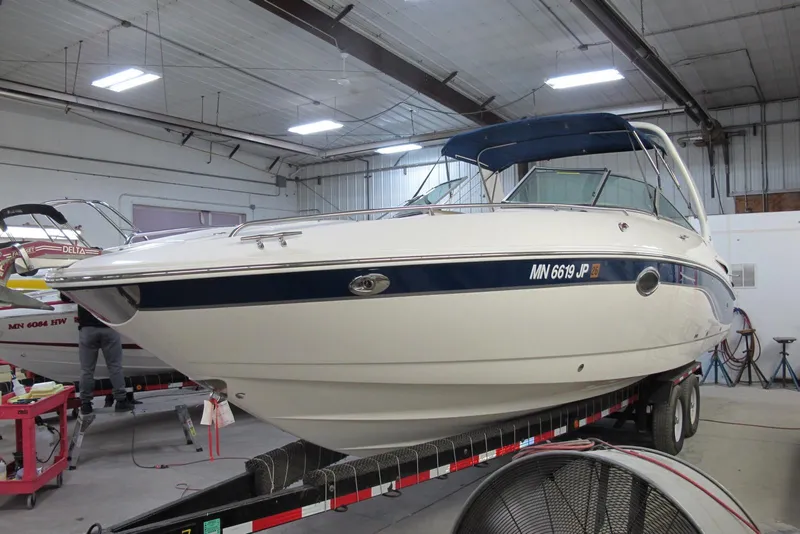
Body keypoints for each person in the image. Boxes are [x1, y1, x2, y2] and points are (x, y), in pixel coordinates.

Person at [60, 292, 133, 414]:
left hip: (87, 329)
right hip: (109, 326)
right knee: (114, 366)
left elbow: (64, 296)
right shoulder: (106, 282)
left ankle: (86, 404)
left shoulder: (80, 282)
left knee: (86, 369)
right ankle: (121, 400)